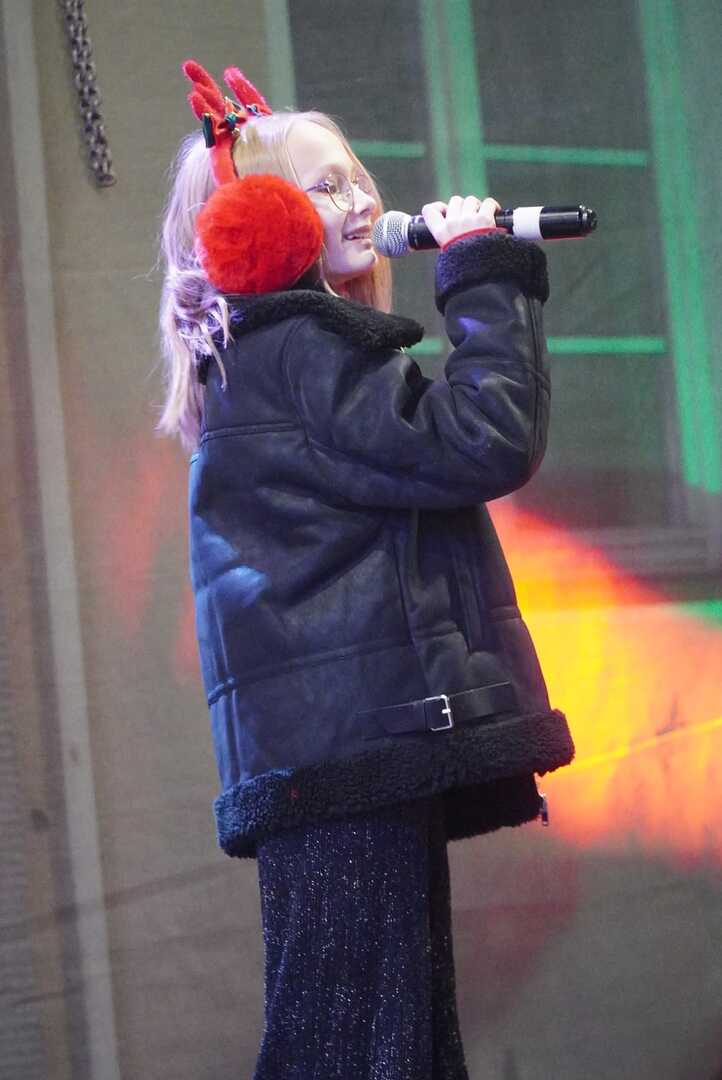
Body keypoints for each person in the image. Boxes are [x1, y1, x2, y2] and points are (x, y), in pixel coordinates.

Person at [156, 58, 575, 1080]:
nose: (358, 199)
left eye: (356, 176)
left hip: (347, 756)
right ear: (259, 222)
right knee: (350, 1047)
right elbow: (478, 440)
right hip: (346, 760)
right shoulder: (298, 352)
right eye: (323, 185)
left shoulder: (272, 356)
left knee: (392, 1044)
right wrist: (480, 273)